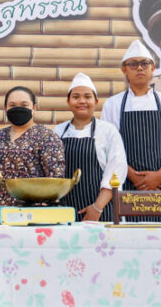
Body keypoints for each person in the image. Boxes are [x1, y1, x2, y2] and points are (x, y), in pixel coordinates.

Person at [101, 40, 161, 222]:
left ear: (153, 68)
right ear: (124, 70)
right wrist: (134, 177)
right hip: (128, 184)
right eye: (133, 64)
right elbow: (109, 146)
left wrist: (159, 175)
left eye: (144, 63)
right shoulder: (112, 105)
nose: (139, 68)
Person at [55, 73, 128, 222]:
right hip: (65, 211)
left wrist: (97, 208)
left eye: (87, 97)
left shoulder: (108, 131)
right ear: (68, 102)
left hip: (103, 211)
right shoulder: (58, 132)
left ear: (96, 101)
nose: (82, 101)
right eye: (76, 97)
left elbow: (116, 171)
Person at [0, 86, 65, 209]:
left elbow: (55, 178)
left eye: (24, 105)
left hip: (33, 213)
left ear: (34, 108)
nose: (18, 109)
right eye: (12, 105)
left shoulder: (47, 137)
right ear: (5, 109)